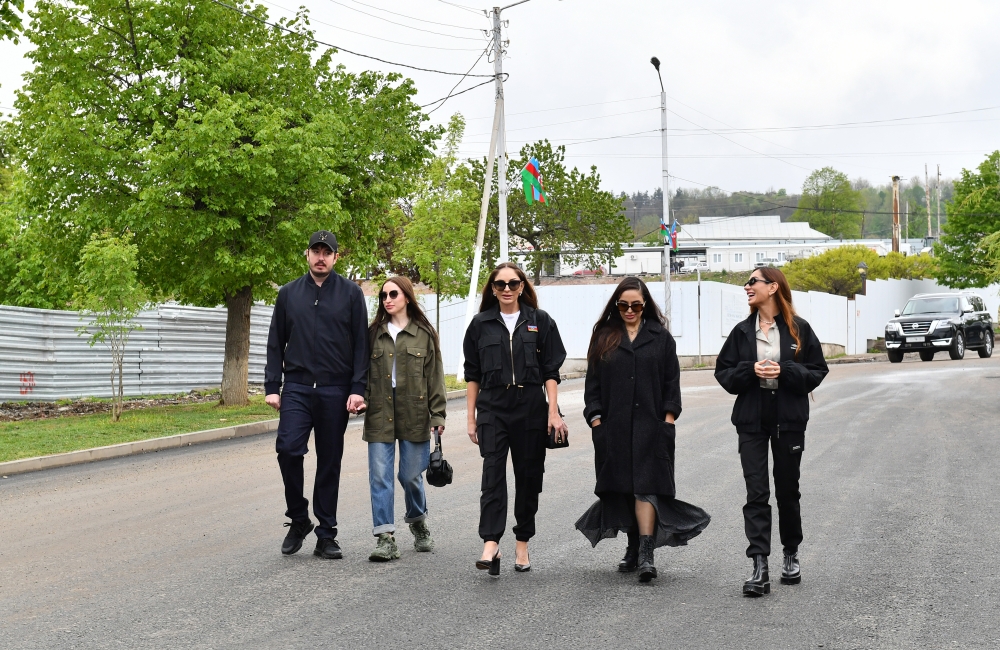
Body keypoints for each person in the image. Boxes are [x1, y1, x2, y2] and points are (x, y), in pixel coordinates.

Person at [575, 277, 711, 583]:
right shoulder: (603, 336)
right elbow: (592, 385)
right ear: (616, 305)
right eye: (623, 305)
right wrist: (596, 421)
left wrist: (668, 421)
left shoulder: (661, 338)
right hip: (614, 428)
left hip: (652, 427)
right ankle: (633, 545)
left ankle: (647, 554)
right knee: (623, 488)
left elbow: (671, 385)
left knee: (647, 487)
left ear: (645, 304)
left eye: (636, 305)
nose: (629, 310)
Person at [715, 267, 828, 596]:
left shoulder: (798, 330)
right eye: (747, 283)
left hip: (789, 419)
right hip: (751, 420)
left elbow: (817, 370)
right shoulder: (742, 332)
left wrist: (785, 370)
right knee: (756, 493)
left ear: (773, 287)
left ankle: (790, 552)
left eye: (753, 281)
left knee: (787, 491)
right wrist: (750, 370)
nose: (747, 287)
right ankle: (759, 565)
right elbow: (724, 374)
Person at [264, 231, 368, 560]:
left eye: (327, 252)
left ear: (336, 257)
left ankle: (326, 534)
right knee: (287, 449)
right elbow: (275, 342)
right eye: (316, 251)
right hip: (296, 386)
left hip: (335, 389)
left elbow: (361, 346)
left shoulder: (351, 294)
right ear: (307, 255)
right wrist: (272, 387)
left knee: (329, 460)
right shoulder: (288, 294)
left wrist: (358, 388)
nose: (321, 257)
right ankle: (299, 518)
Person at [463, 262, 567, 576]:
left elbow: (551, 372)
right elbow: (472, 375)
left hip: (531, 407)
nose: (506, 289)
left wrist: (553, 412)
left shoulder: (540, 321)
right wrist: (471, 418)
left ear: (522, 286)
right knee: (492, 475)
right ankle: (491, 543)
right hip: (493, 408)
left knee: (528, 478)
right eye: (500, 284)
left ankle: (522, 542)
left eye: (512, 283)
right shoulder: (480, 324)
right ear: (493, 289)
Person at [362, 276, 447, 562]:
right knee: (379, 476)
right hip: (379, 409)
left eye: (393, 294)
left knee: (410, 475)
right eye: (383, 295)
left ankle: (418, 521)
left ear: (407, 297)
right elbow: (362, 372)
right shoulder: (373, 333)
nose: (387, 299)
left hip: (415, 410)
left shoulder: (424, 334)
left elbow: (435, 377)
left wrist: (438, 414)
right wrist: (360, 397)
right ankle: (385, 538)